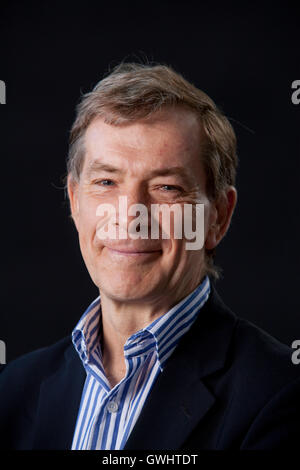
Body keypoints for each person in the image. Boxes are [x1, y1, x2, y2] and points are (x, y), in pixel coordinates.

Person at [0, 62, 299, 450]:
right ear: (75, 201)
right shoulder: (13, 390)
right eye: (106, 182)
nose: (131, 215)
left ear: (218, 217)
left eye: (167, 188)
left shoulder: (278, 397)